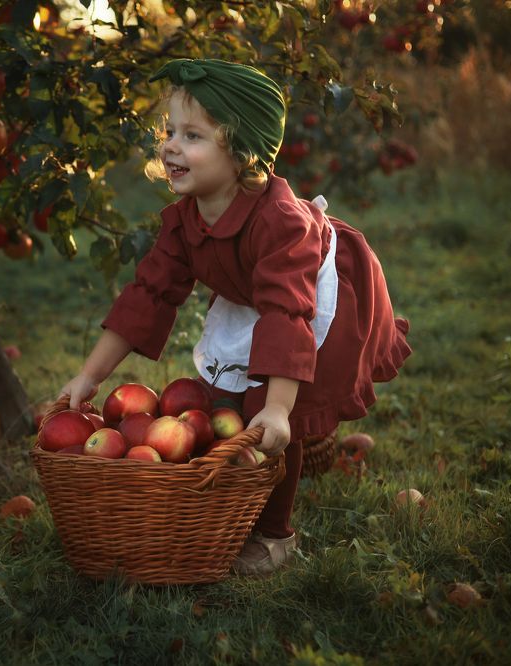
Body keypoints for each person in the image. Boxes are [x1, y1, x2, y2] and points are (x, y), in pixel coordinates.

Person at [58, 59, 412, 576]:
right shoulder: (186, 219)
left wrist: (277, 407)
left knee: (268, 415)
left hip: (319, 296)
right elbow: (147, 294)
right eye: (169, 132)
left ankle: (274, 535)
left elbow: (288, 312)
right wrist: (90, 376)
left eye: (193, 135)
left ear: (241, 151)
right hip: (256, 297)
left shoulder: (279, 224)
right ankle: (228, 510)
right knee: (223, 406)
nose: (171, 146)